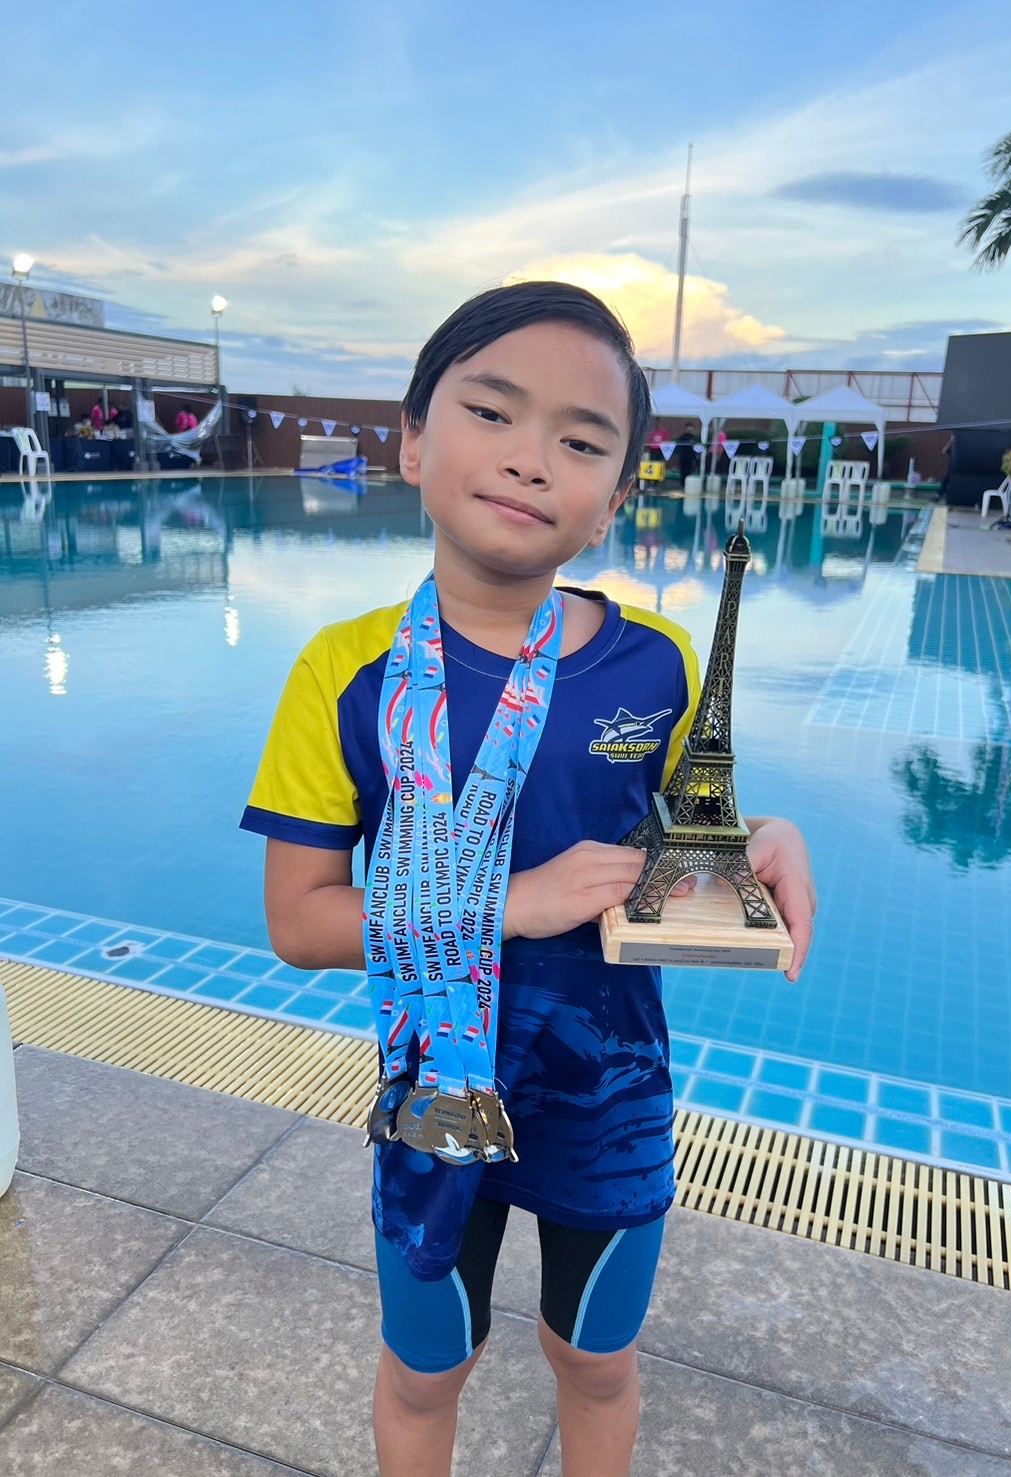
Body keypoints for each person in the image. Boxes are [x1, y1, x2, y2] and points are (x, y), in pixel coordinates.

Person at [240, 281, 816, 1477]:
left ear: (616, 497)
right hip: (435, 1091)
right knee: (424, 1372)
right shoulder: (343, 673)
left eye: (580, 441)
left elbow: (688, 843)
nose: (528, 459)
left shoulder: (656, 663)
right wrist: (510, 900)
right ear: (412, 439)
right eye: (492, 412)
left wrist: (766, 835)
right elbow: (299, 921)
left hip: (606, 1090)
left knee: (593, 1363)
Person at [674, 420, 697, 486]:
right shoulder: (682, 437)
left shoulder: (693, 437)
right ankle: (682, 483)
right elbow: (679, 446)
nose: (689, 430)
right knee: (683, 471)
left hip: (689, 456)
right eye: (688, 428)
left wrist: (694, 456)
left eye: (690, 428)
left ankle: (687, 484)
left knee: (688, 470)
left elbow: (693, 447)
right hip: (683, 456)